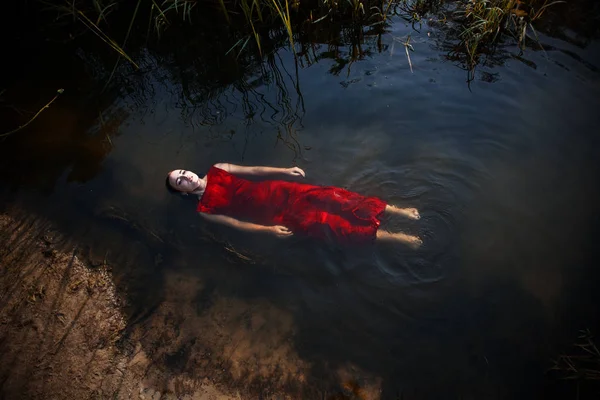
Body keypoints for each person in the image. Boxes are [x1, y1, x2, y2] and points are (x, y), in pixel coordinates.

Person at [166, 163, 423, 249]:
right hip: (276, 214)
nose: (186, 176)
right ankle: (396, 237)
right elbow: (235, 223)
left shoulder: (218, 168)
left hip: (282, 190)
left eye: (183, 172)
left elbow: (254, 169)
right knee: (330, 224)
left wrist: (285, 170)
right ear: (182, 192)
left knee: (335, 196)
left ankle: (396, 210)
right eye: (180, 181)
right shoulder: (204, 210)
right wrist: (267, 230)